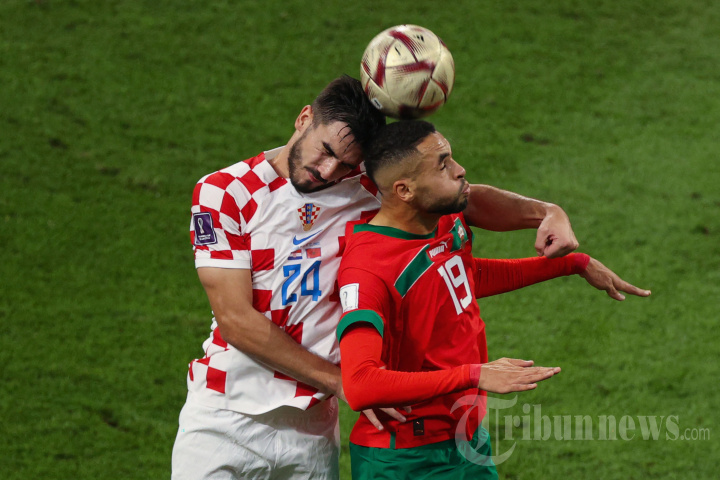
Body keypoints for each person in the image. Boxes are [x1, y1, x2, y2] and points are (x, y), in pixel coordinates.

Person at [172, 75, 587, 480]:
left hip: (314, 427)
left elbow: (464, 197)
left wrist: (547, 213)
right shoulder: (226, 192)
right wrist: (343, 382)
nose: (328, 171)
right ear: (304, 118)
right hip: (226, 413)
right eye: (325, 151)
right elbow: (235, 319)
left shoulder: (366, 186)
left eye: (345, 164)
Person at [337, 120, 651, 479]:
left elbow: (463, 278)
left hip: (466, 438)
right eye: (442, 165)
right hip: (404, 458)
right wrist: (475, 374)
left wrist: (572, 264)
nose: (460, 170)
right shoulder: (368, 269)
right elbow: (360, 384)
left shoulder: (440, 220)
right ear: (404, 190)